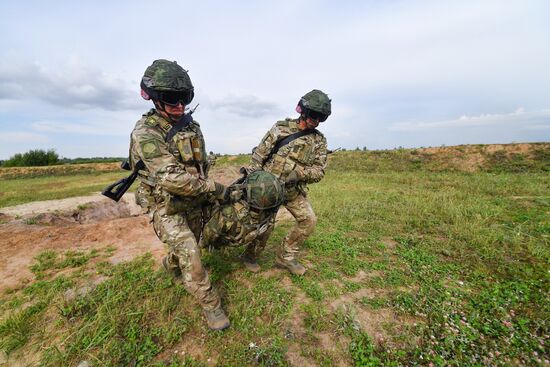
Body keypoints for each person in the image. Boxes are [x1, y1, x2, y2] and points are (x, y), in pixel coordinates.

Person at [129, 59, 231, 330]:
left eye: (183, 99)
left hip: (194, 200)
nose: (179, 106)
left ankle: (171, 264)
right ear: (155, 99)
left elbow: (199, 166)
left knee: (190, 246)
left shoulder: (191, 127)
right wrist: (213, 189)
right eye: (172, 100)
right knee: (191, 252)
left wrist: (207, 194)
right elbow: (172, 179)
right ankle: (212, 306)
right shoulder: (146, 133)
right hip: (165, 204)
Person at [246, 89, 331, 276]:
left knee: (308, 221)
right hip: (268, 188)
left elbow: (319, 171)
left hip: (292, 190)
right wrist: (253, 182)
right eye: (314, 115)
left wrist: (300, 174)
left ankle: (285, 257)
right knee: (264, 227)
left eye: (321, 118)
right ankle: (250, 256)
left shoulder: (319, 141)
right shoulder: (281, 128)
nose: (316, 121)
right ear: (304, 111)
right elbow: (259, 155)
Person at [201, 170, 285, 273]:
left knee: (267, 227)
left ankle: (250, 257)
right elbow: (208, 235)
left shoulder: (268, 211)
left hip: (243, 233)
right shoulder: (230, 213)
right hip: (217, 235)